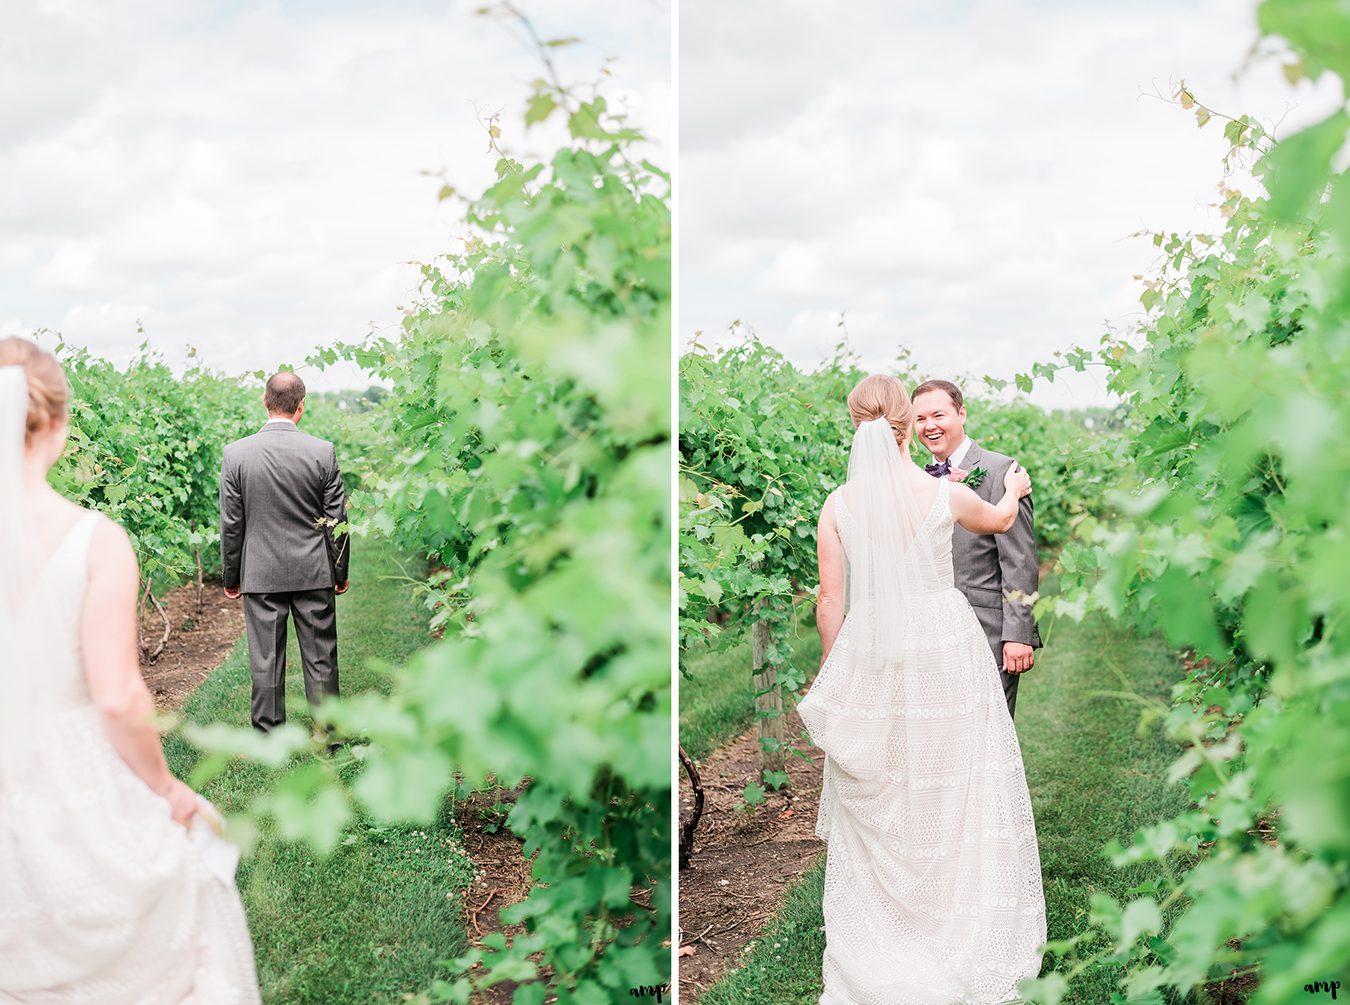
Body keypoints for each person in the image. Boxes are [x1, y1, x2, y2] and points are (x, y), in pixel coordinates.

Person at [0, 337, 260, 1002]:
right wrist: (170, 790)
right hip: (69, 781)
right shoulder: (92, 540)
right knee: (186, 917)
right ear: (56, 423)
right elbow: (116, 695)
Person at [798, 374, 1046, 1005]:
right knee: (954, 780)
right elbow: (1000, 518)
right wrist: (1014, 488)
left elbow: (831, 598)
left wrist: (836, 667)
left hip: (874, 645)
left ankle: (888, 934)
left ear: (857, 426)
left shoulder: (838, 504)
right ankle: (956, 923)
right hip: (944, 644)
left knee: (888, 785)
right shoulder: (945, 496)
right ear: (907, 425)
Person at [220, 371, 350, 733]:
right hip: (313, 571)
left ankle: (269, 734)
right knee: (322, 657)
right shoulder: (322, 451)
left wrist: (232, 577)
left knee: (265, 659)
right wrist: (339, 571)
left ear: (265, 402)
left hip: (260, 572)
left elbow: (232, 524)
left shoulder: (236, 455)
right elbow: (336, 519)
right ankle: (330, 734)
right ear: (301, 407)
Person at [911, 378, 1041, 719]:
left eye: (938, 415)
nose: (929, 426)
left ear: (962, 413)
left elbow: (1019, 560)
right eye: (920, 419)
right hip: (931, 635)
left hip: (988, 631)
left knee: (990, 735)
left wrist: (1018, 635)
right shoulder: (916, 480)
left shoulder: (1001, 471)